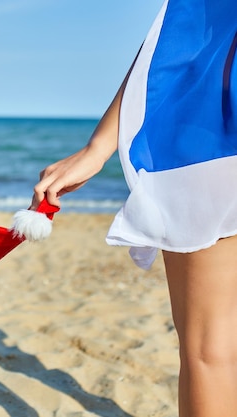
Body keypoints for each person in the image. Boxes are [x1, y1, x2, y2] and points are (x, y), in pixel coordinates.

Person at [31, 1, 237, 416]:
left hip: (210, 145)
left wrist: (100, 146)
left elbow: (179, 38)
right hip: (213, 146)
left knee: (210, 351)